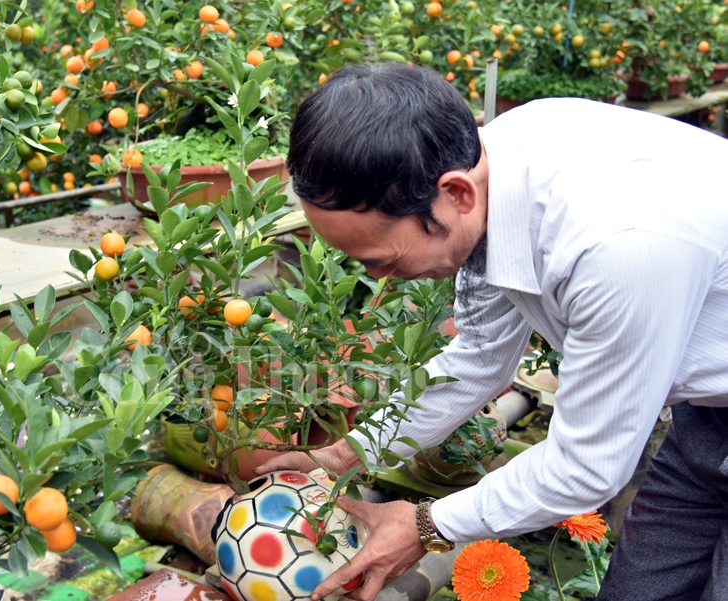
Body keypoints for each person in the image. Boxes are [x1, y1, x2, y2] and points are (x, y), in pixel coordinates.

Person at [254, 62, 728, 601]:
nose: (377, 277)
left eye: (380, 259)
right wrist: (345, 454)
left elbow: (586, 467)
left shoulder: (616, 248)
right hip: (706, 419)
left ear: (456, 194)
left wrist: (427, 525)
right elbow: (480, 355)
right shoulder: (494, 171)